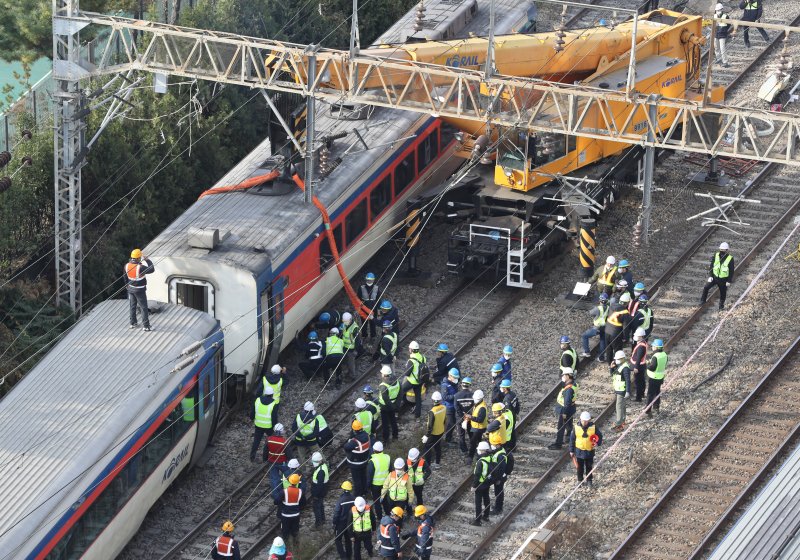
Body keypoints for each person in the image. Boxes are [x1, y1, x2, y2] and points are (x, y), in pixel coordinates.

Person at [569, 411, 603, 488]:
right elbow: (572, 439)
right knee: (579, 467)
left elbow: (599, 436)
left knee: (589, 467)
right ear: (581, 419)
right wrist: (571, 450)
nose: (585, 422)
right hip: (579, 451)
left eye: (587, 421)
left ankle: (589, 481)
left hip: (589, 451)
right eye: (584, 421)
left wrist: (597, 443)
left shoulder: (593, 427)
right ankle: (580, 480)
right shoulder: (576, 428)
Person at [293, 401, 333, 466]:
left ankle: (303, 471)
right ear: (312, 410)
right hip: (311, 441)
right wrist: (307, 437)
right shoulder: (315, 419)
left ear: (304, 409)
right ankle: (326, 465)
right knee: (319, 453)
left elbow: (294, 429)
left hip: (300, 440)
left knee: (301, 457)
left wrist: (302, 437)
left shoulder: (297, 416)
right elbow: (315, 433)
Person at [124, 248, 155, 331]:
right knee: (143, 307)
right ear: (138, 258)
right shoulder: (140, 267)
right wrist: (147, 260)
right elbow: (152, 269)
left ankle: (132, 323)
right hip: (140, 290)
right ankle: (146, 326)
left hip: (130, 289)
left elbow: (125, 276)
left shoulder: (127, 265)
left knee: (132, 306)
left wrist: (126, 285)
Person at [700, 242, 735, 310]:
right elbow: (712, 265)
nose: (722, 251)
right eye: (721, 249)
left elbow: (731, 270)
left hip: (723, 280)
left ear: (727, 250)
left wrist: (729, 281)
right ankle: (702, 301)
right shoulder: (716, 255)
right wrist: (710, 276)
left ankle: (721, 305)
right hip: (714, 277)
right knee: (706, 287)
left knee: (723, 293)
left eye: (724, 250)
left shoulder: (730, 258)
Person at [548, 370, 577, 450]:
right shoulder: (572, 384)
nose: (562, 376)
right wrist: (563, 382)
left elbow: (567, 403)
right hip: (571, 409)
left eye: (564, 375)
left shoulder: (569, 390)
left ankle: (558, 444)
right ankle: (569, 439)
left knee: (561, 427)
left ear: (568, 376)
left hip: (564, 411)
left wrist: (564, 413)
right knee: (568, 425)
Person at [345, 419, 372, 497]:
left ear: (354, 430)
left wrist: (351, 438)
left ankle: (357, 494)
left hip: (355, 464)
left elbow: (346, 447)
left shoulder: (354, 441)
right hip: (364, 461)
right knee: (363, 477)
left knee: (357, 480)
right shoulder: (366, 435)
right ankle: (365, 491)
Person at [250, 387, 277, 463]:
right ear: (272, 394)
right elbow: (274, 417)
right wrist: (275, 426)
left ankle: (252, 457)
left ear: (265, 393)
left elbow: (253, 412)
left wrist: (251, 418)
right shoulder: (273, 403)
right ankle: (265, 458)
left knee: (256, 441)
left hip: (258, 425)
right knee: (269, 441)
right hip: (269, 427)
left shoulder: (257, 400)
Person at [402, 341, 428, 419]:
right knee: (418, 398)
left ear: (411, 350)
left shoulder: (411, 360)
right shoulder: (423, 357)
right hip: (420, 381)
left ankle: (397, 410)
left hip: (411, 382)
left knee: (400, 392)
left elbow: (407, 373)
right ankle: (417, 417)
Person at [278, 473, 305, 546]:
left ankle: (286, 547)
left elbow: (276, 501)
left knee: (285, 532)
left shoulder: (284, 491)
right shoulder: (300, 491)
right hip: (296, 515)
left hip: (285, 515)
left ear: (289, 481)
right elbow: (303, 504)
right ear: (297, 482)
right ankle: (296, 548)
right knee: (295, 532)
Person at [580, 293, 609, 360]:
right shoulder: (608, 307)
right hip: (604, 327)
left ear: (600, 300)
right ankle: (601, 358)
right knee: (602, 341)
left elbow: (591, 313)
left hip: (597, 327)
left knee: (584, 336)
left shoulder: (597, 308)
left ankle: (587, 352)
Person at [471, 441, 493, 525]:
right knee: (486, 498)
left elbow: (477, 475)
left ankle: (477, 520)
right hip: (487, 482)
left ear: (482, 450)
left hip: (480, 484)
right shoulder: (490, 457)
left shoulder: (480, 461)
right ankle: (486, 516)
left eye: (479, 449)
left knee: (478, 502)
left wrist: (474, 486)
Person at [368, 440, 390, 519]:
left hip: (375, 485)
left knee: (377, 502)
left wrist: (368, 487)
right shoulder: (387, 457)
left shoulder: (372, 461)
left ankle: (380, 517)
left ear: (374, 450)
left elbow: (369, 476)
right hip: (385, 484)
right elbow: (390, 470)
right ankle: (388, 514)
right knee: (385, 500)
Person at [332, 481, 355, 560]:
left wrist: (334, 522)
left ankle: (343, 556)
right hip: (351, 523)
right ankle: (349, 556)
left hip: (341, 523)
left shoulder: (340, 500)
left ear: (343, 489)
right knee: (348, 540)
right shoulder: (354, 499)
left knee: (338, 539)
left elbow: (337, 512)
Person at [422, 391, 446, 465]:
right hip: (441, 431)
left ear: (432, 400)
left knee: (427, 448)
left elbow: (430, 426)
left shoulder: (432, 412)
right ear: (440, 400)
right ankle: (437, 463)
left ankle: (428, 464)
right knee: (437, 446)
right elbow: (445, 419)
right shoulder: (444, 408)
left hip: (433, 433)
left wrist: (427, 435)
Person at [267, 423, 290, 498]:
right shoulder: (284, 441)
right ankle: (288, 492)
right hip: (282, 462)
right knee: (288, 476)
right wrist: (291, 461)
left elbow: (265, 451)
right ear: (280, 431)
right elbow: (288, 453)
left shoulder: (269, 440)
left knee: (274, 479)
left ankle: (275, 495)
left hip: (272, 462)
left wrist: (265, 459)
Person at [378, 365, 401, 442]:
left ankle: (386, 439)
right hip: (393, 404)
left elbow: (386, 399)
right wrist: (396, 406)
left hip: (385, 407)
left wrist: (392, 407)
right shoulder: (397, 381)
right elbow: (400, 393)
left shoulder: (383, 386)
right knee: (393, 421)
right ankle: (395, 436)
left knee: (385, 424)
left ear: (384, 375)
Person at [646, 339, 669, 415]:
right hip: (660, 377)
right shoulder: (664, 354)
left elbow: (652, 367)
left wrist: (647, 365)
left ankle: (648, 410)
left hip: (653, 377)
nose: (652, 347)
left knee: (650, 394)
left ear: (656, 347)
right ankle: (656, 407)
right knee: (657, 392)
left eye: (653, 346)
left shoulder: (655, 356)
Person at [604, 294, 631, 358]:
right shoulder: (625, 313)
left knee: (609, 349)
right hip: (616, 334)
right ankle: (616, 365)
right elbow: (625, 327)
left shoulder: (612, 306)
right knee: (617, 351)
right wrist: (626, 338)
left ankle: (609, 363)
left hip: (607, 331)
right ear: (627, 302)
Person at [611, 350, 631, 430]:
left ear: (623, 359)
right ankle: (623, 420)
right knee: (622, 405)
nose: (617, 360)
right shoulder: (619, 366)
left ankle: (619, 422)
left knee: (618, 406)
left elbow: (628, 380)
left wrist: (627, 391)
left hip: (621, 390)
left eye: (618, 359)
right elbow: (612, 375)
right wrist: (611, 368)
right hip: (618, 389)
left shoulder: (625, 368)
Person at [489, 433, 508, 514]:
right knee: (498, 491)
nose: (491, 445)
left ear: (497, 445)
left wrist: (498, 479)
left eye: (492, 444)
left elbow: (501, 469)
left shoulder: (500, 455)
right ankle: (498, 506)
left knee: (499, 492)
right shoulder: (499, 451)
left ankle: (498, 509)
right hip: (498, 476)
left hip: (500, 477)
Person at [351, 496, 376, 560]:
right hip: (356, 533)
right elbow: (349, 524)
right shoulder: (352, 511)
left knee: (369, 546)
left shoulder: (369, 509)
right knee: (356, 548)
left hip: (367, 532)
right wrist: (351, 536)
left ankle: (370, 553)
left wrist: (374, 529)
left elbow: (373, 520)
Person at [466, 389, 488, 462]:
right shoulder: (479, 404)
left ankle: (470, 457)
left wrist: (470, 417)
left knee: (473, 442)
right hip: (476, 427)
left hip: (479, 427)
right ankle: (481, 453)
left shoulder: (482, 408)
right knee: (478, 441)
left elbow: (480, 419)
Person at [454, 377, 475, 455]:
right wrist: (468, 416)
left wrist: (463, 416)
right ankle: (473, 447)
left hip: (460, 418)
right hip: (470, 418)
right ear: (469, 385)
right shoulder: (473, 395)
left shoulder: (457, 395)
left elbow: (456, 408)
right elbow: (474, 407)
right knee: (471, 433)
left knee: (461, 434)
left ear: (462, 385)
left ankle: (464, 450)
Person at [358, 272, 382, 339]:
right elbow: (358, 299)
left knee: (373, 323)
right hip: (364, 310)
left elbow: (379, 300)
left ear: (373, 280)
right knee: (364, 324)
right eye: (368, 280)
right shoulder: (361, 288)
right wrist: (359, 309)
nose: (369, 281)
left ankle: (373, 336)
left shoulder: (376, 288)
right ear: (366, 279)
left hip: (373, 310)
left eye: (371, 280)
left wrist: (379, 311)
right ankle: (364, 336)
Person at [440, 368, 459, 443]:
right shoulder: (445, 385)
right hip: (448, 407)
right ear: (450, 376)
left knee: (452, 423)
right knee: (451, 423)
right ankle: (447, 440)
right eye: (455, 377)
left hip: (453, 406)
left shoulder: (453, 383)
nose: (456, 379)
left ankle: (449, 437)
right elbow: (444, 397)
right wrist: (455, 396)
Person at [311, 451, 329, 527]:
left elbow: (319, 485)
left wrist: (315, 495)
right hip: (322, 491)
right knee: (320, 505)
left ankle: (318, 523)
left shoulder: (321, 471)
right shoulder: (323, 466)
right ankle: (323, 519)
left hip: (319, 492)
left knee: (316, 507)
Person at [630, 328, 649, 402]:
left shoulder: (641, 346)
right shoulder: (643, 343)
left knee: (638, 382)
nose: (635, 337)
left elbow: (638, 358)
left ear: (641, 336)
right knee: (642, 381)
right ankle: (642, 394)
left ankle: (638, 398)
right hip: (641, 366)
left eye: (637, 335)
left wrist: (636, 367)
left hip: (638, 366)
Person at [342, 312, 361, 381]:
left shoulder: (354, 328)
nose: (345, 322)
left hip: (351, 349)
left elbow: (358, 341)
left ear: (350, 320)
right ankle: (349, 372)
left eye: (346, 321)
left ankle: (352, 376)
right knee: (347, 362)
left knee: (351, 363)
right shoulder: (345, 325)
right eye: (344, 321)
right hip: (345, 347)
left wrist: (355, 350)